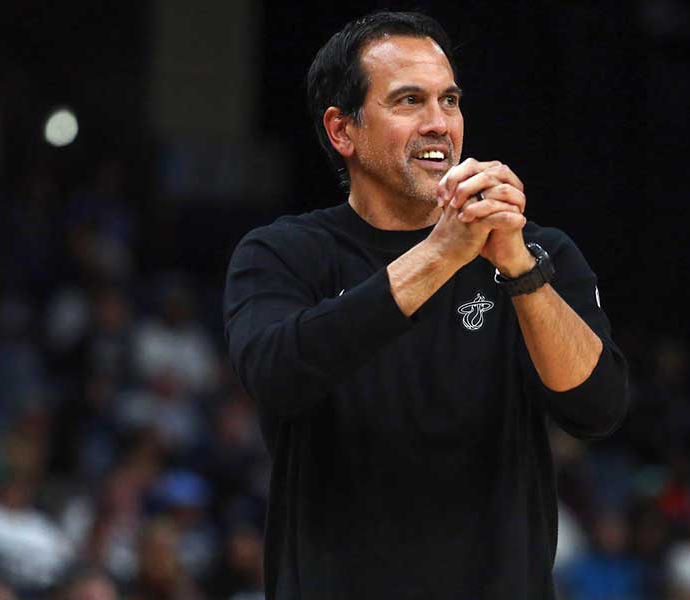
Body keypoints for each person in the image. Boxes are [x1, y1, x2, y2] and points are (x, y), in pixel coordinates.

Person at [223, 11, 629, 599]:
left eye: (450, 100)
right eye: (409, 101)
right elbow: (275, 373)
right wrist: (440, 254)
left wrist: (518, 270)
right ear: (343, 131)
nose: (440, 124)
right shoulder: (284, 252)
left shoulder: (538, 253)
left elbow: (598, 409)